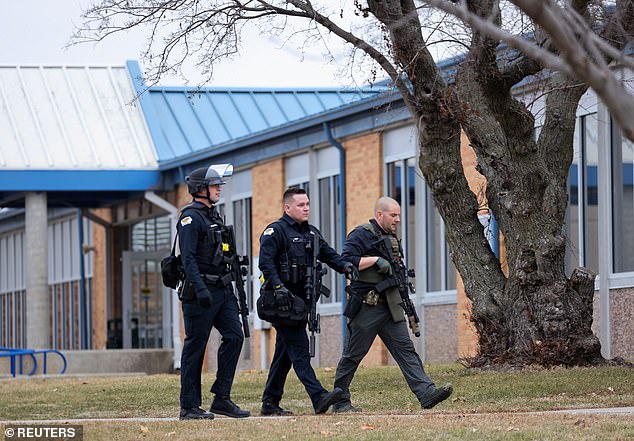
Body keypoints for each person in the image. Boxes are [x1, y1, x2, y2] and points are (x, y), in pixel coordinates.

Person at [332, 196, 453, 413]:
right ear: (380, 215)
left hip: (390, 305)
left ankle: (426, 393)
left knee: (406, 350)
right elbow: (345, 261)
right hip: (366, 307)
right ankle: (340, 401)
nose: (397, 219)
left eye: (398, 215)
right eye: (393, 215)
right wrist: (375, 261)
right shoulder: (361, 234)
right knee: (352, 355)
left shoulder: (391, 237)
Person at [258, 187, 358, 416]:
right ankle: (319, 396)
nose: (306, 208)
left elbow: (328, 254)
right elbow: (266, 263)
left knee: (283, 355)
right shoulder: (276, 231)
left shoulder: (311, 233)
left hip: (301, 303)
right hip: (281, 303)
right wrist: (278, 287)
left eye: (307, 204)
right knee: (300, 350)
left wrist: (345, 267)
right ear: (287, 207)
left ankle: (270, 403)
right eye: (301, 205)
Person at [177, 164, 250, 420]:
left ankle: (221, 398)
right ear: (200, 189)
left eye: (219, 185)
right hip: (200, 293)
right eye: (214, 185)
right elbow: (188, 259)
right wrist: (200, 289)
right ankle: (189, 407)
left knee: (235, 336)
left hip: (222, 289)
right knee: (195, 347)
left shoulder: (214, 216)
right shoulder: (190, 218)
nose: (219, 189)